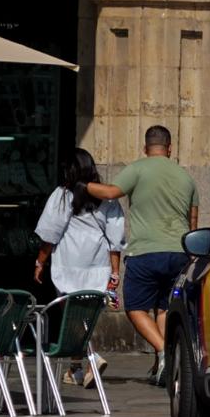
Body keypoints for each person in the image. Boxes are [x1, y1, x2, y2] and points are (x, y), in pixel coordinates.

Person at [87, 125, 198, 384]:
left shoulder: (137, 169)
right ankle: (165, 365)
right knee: (163, 308)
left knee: (135, 307)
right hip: (179, 252)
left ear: (145, 148)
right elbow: (193, 224)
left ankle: (164, 352)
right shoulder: (186, 178)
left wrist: (81, 183)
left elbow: (111, 192)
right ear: (170, 148)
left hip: (145, 252)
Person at [33, 148, 126, 388]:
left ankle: (91, 356)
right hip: (98, 265)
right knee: (84, 317)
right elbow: (115, 237)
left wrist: (40, 261)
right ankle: (75, 369)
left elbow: (50, 234)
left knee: (71, 318)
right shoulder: (107, 199)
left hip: (69, 265)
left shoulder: (63, 195)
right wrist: (115, 272)